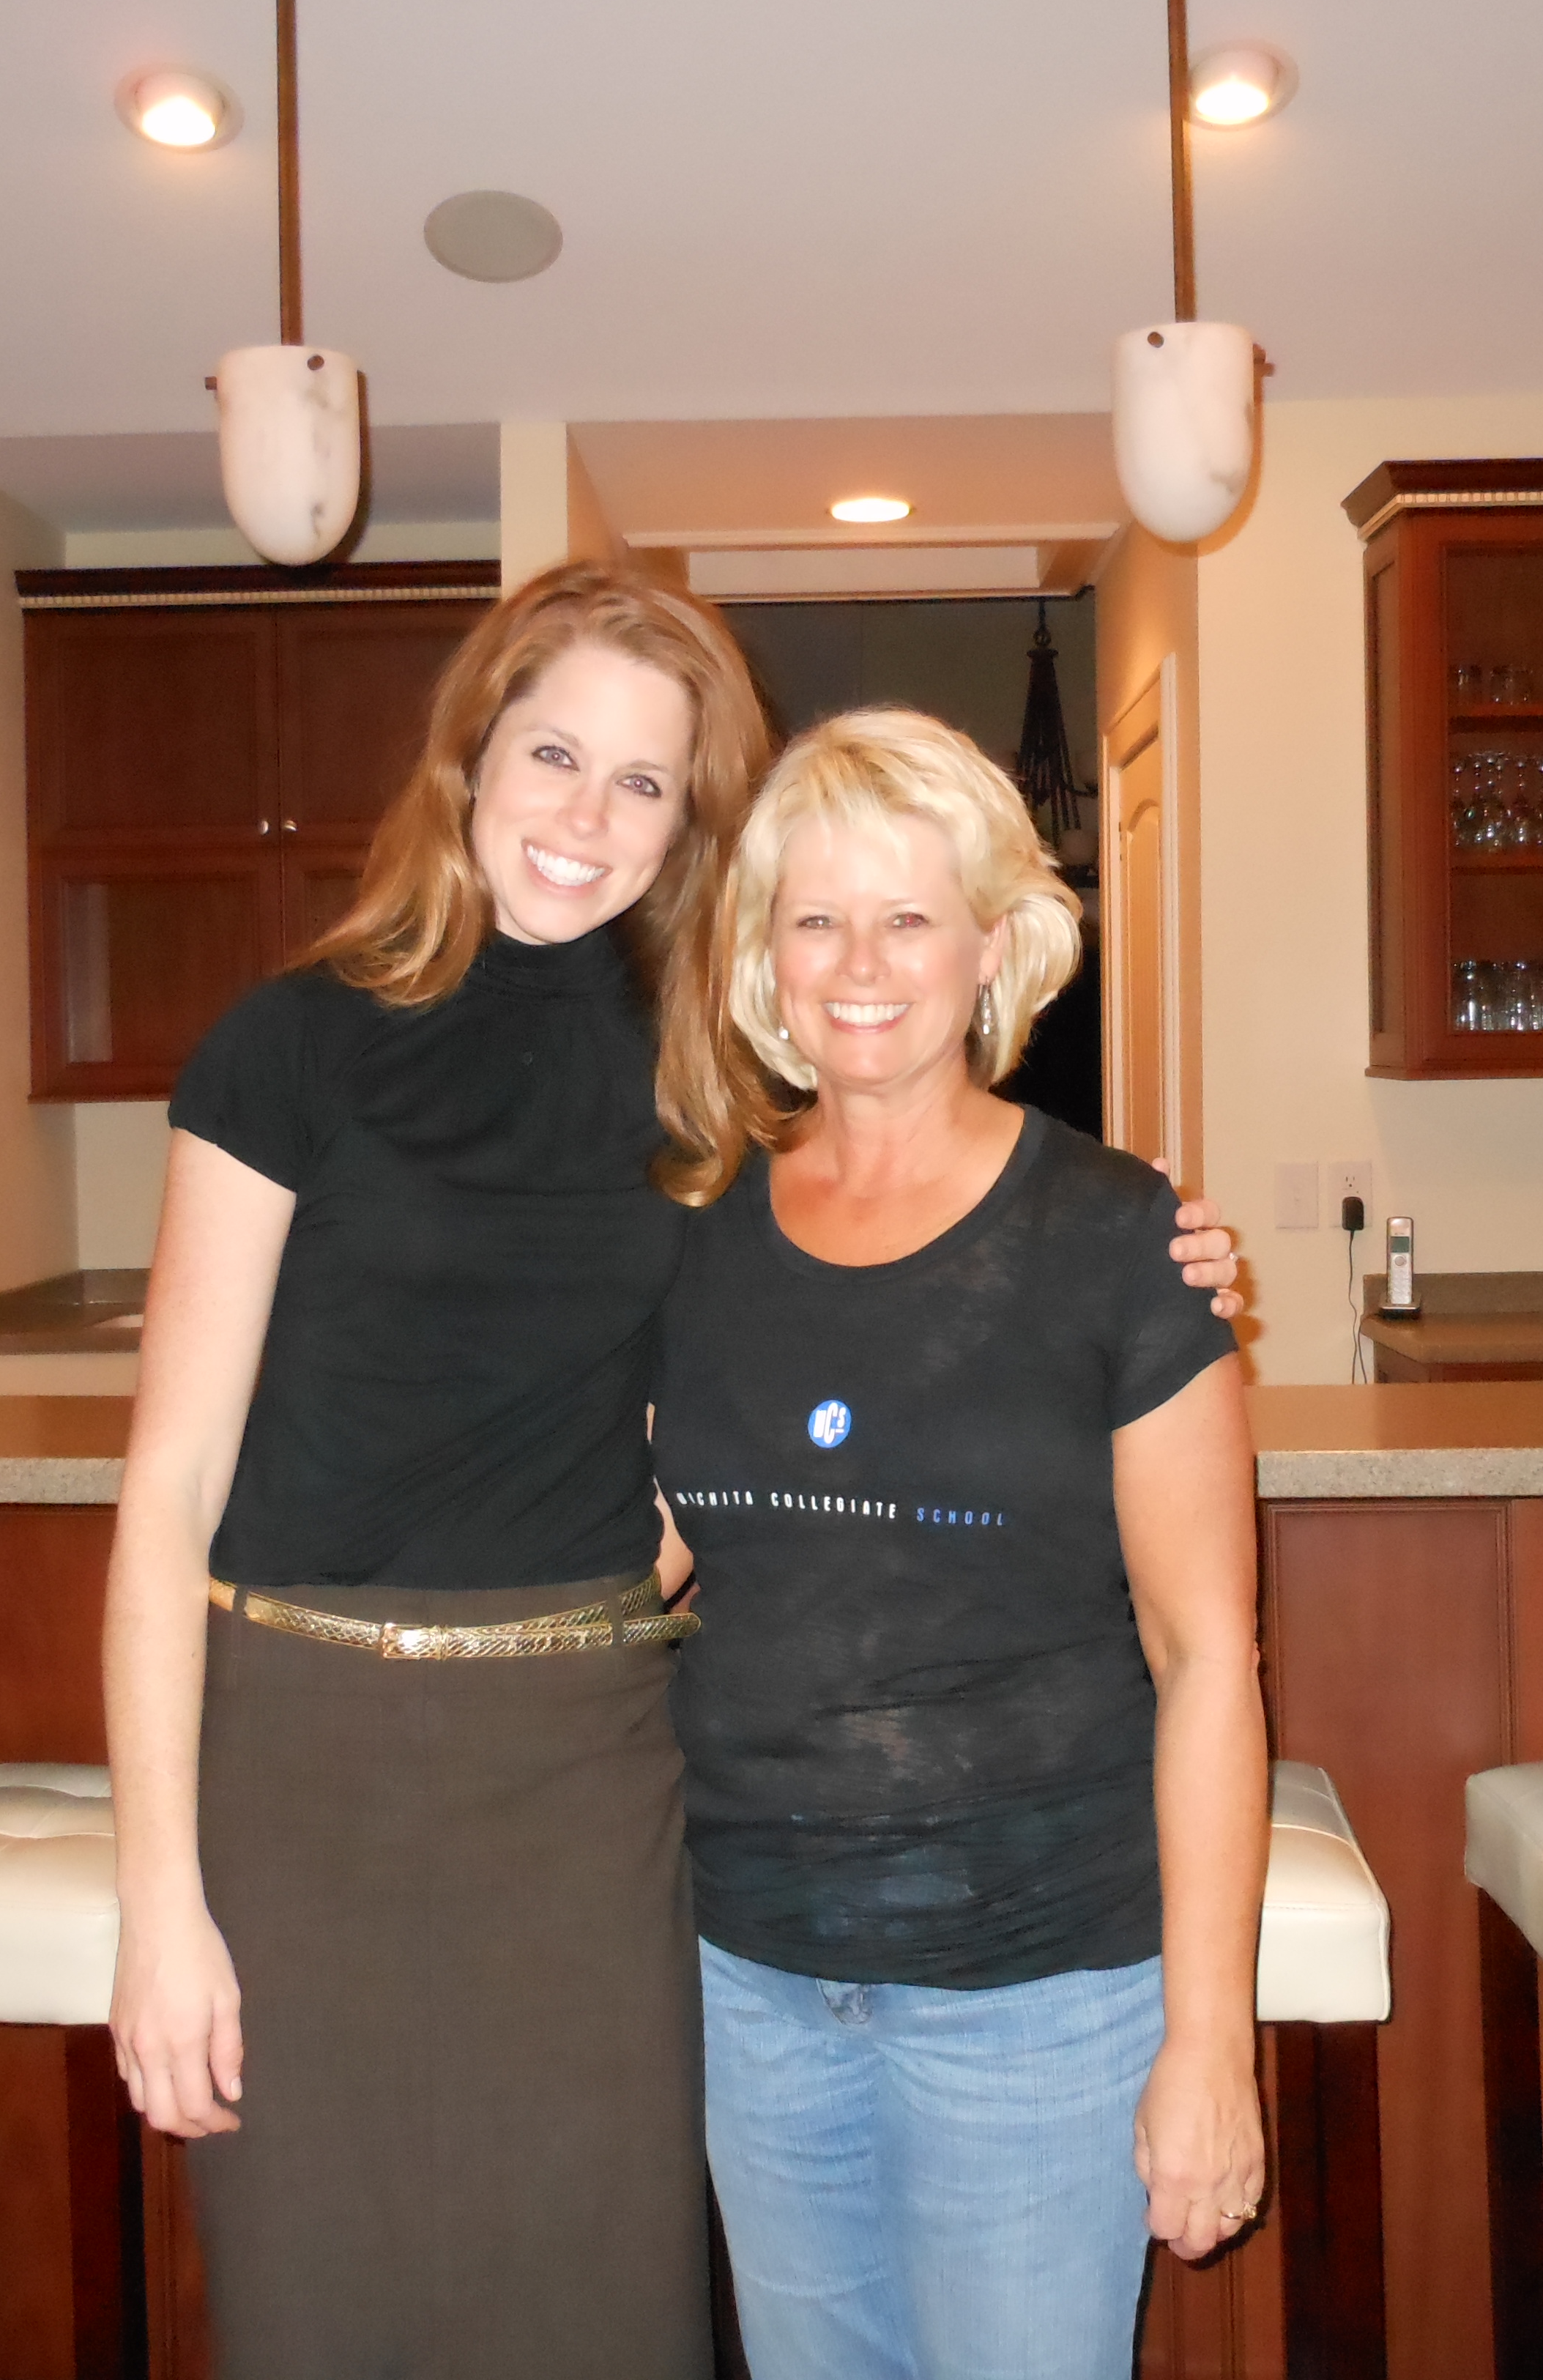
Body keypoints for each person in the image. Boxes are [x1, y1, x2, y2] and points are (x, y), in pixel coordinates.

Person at [101, 571, 1237, 2378]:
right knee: (321, 2311)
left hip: (592, 1782)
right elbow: (166, 1498)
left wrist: (1154, 1261)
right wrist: (157, 1902)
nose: (586, 815)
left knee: (603, 2316)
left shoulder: (704, 1093)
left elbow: (779, 1385)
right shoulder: (285, 1050)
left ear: (689, 826)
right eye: (555, 754)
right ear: (471, 756)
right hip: (308, 1777)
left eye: (643, 782)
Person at [650, 708, 1268, 2380]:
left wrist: (1212, 2040)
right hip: (751, 1982)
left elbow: (1207, 1661)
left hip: (1039, 1993)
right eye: (817, 917)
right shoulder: (692, 1237)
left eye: (908, 917)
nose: (860, 965)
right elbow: (641, 1560)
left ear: (992, 945)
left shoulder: (1123, 1240)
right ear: (765, 954)